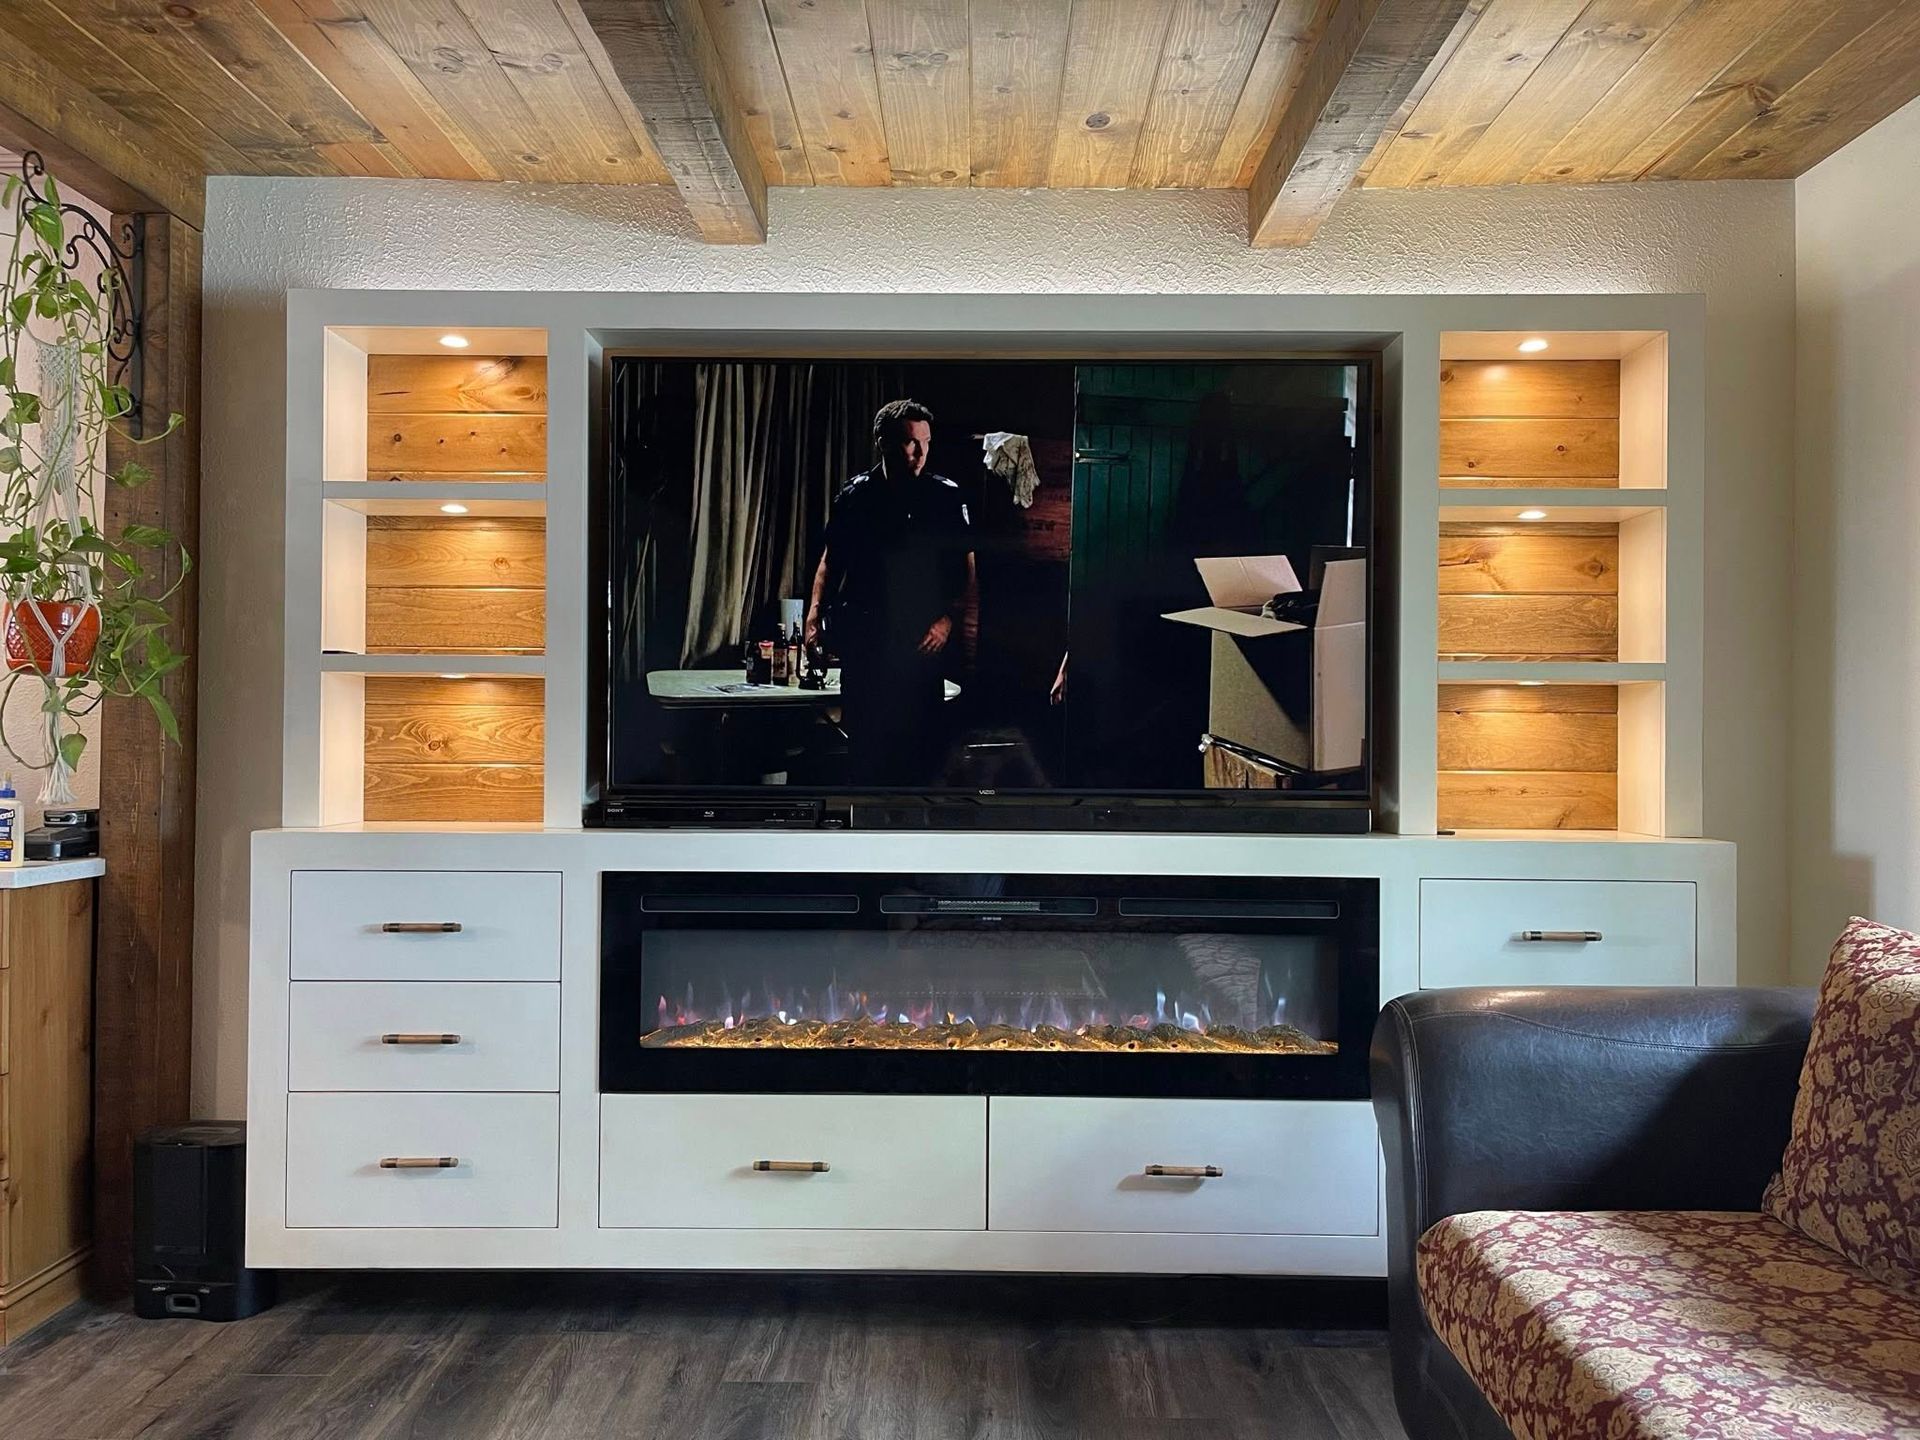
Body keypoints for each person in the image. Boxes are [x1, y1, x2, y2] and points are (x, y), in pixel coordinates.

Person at [805, 398, 975, 784]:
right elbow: (831, 562)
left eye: (926, 442)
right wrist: (814, 614)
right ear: (882, 442)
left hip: (921, 644)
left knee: (920, 753)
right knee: (866, 751)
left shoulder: (945, 497)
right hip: (868, 644)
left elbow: (967, 574)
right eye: (910, 442)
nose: (920, 452)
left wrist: (948, 620)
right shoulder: (856, 496)